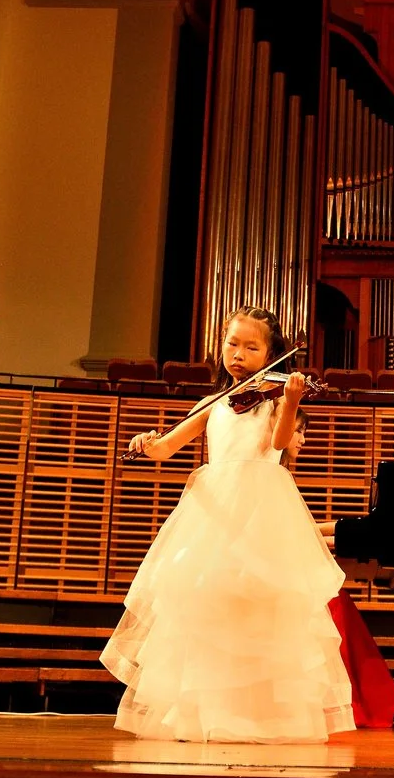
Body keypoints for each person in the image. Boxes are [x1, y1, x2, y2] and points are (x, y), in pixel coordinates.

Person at [101, 307, 357, 742]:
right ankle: (205, 715)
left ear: (271, 354)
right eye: (232, 344)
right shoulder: (212, 404)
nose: (238, 354)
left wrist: (293, 399)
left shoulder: (275, 399)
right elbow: (166, 449)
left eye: (251, 347)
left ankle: (259, 717)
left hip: (261, 507)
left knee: (262, 606)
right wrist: (145, 443)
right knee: (207, 604)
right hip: (214, 509)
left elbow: (279, 442)